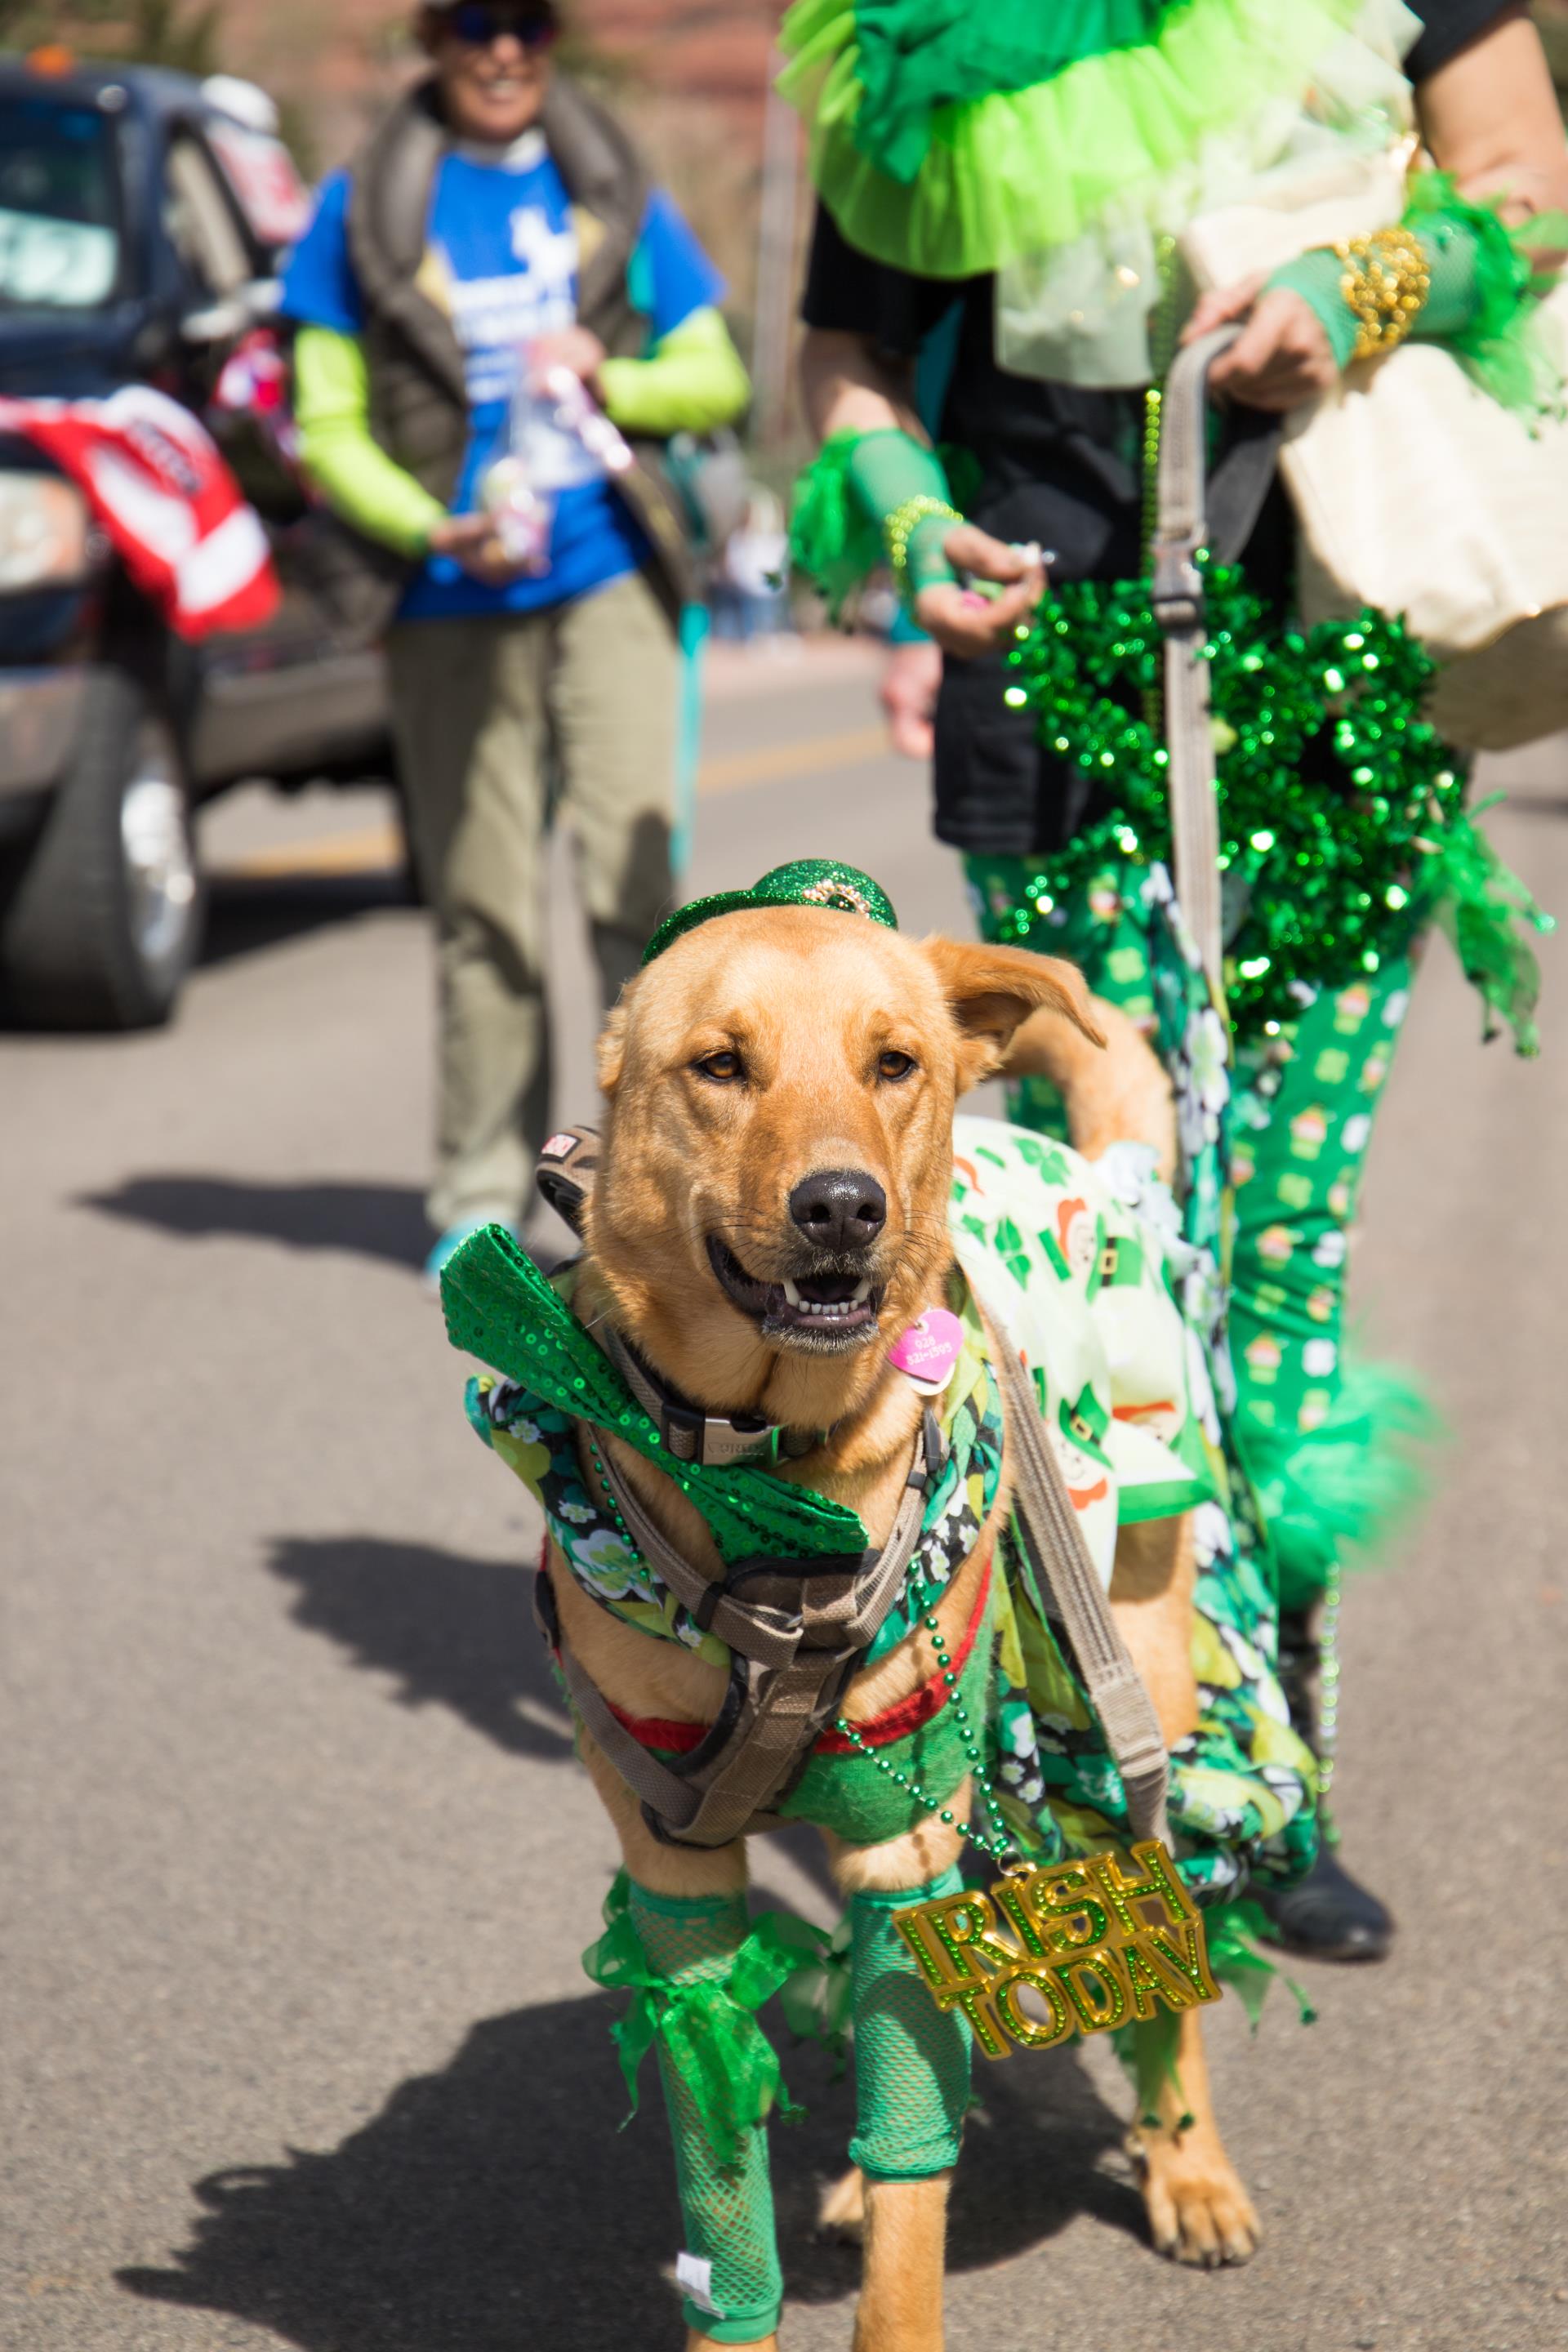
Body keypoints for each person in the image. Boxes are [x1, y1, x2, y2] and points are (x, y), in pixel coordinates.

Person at [785, 0, 1566, 1960]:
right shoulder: (917, 38)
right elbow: (849, 365)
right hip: (1055, 686)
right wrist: (897, 520)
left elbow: (1530, 191)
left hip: (1332, 670)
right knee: (1089, 1260)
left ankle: (1270, 1758)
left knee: (1284, 1231)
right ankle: (1086, 1769)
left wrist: (1359, 282)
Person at [280, 0, 749, 1279]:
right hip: (451, 594)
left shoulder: (611, 181)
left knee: (637, 895)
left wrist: (610, 375)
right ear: (432, 39)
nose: (503, 50)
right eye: (474, 23)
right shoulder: (364, 204)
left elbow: (715, 376)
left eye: (529, 24)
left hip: (608, 575)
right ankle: (481, 1197)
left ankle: (659, 1184)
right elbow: (326, 425)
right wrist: (436, 530)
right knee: (483, 911)